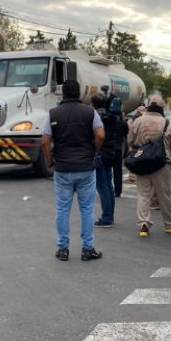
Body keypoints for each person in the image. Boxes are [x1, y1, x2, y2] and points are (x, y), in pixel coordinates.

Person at [41, 79, 103, 261]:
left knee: (62, 209)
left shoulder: (53, 114)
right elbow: (100, 134)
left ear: (63, 94)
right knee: (86, 209)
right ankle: (88, 249)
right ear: (80, 94)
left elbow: (44, 141)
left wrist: (50, 160)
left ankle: (63, 249)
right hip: (85, 168)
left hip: (63, 168)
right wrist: (93, 150)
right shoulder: (90, 112)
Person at [128, 95, 171, 237]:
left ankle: (143, 223)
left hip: (141, 162)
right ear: (162, 108)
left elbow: (130, 141)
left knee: (143, 194)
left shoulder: (137, 121)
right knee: (164, 195)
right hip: (160, 163)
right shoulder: (166, 122)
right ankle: (170, 224)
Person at [91, 93, 117, 228]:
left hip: (100, 153)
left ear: (93, 104)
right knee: (108, 185)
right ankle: (110, 215)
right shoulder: (110, 116)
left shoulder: (96, 117)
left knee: (102, 186)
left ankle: (106, 217)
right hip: (110, 153)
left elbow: (97, 136)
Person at [112, 111, 129, 197]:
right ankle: (118, 191)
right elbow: (126, 133)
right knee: (118, 170)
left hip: (108, 147)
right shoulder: (122, 121)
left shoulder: (107, 118)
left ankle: (108, 188)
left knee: (106, 170)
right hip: (118, 147)